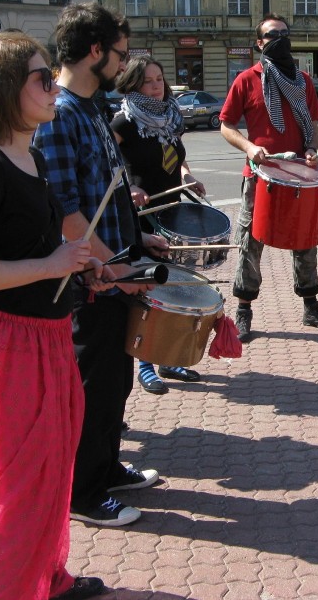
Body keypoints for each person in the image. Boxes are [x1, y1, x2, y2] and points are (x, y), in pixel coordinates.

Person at [0, 31, 110, 600]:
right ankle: (2, 590)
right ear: (5, 89)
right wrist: (49, 266)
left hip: (47, 336)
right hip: (9, 344)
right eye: (42, 78)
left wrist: (80, 267)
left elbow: (45, 246)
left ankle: (44, 576)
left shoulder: (34, 156)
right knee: (20, 480)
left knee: (50, 471)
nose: (53, 87)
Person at [34, 2, 168, 527]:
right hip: (89, 281)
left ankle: (106, 467)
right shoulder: (61, 114)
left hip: (113, 268)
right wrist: (115, 268)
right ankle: (82, 494)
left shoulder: (93, 107)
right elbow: (65, 211)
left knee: (114, 381)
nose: (123, 62)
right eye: (119, 52)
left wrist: (140, 243)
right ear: (95, 51)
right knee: (91, 386)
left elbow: (108, 198)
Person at [220, 13, 318, 342]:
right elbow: (226, 126)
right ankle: (243, 311)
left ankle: (311, 307)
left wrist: (312, 149)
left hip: (300, 175)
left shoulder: (302, 80)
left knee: (305, 240)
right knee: (250, 242)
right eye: (273, 35)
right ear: (260, 43)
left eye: (285, 34)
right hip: (259, 176)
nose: (280, 40)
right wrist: (249, 146)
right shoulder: (247, 79)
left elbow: (312, 127)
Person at [112, 56, 206, 394]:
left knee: (169, 284)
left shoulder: (170, 116)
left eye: (160, 79)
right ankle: (145, 363)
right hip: (141, 214)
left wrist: (186, 175)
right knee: (146, 287)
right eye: (148, 80)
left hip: (170, 208)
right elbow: (110, 161)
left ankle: (165, 356)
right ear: (134, 84)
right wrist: (129, 185)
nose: (157, 86)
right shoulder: (123, 121)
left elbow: (176, 156)